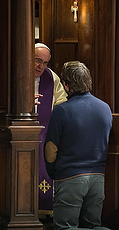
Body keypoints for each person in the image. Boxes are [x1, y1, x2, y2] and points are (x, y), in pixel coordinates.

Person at [44, 61, 113, 230]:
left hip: (70, 178)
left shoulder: (61, 111)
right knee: (93, 226)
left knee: (65, 227)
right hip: (98, 178)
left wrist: (54, 173)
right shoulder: (105, 108)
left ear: (66, 85)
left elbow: (50, 149)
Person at [35, 43, 67, 215]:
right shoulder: (15, 72)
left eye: (45, 63)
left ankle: (43, 210)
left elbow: (62, 104)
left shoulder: (51, 78)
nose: (41, 66)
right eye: (37, 60)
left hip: (44, 134)